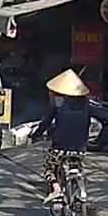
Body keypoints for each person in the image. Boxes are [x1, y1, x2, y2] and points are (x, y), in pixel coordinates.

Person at [29, 68, 92, 204]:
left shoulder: (58, 104)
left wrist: (35, 135)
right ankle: (80, 189)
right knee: (79, 167)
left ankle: (56, 189)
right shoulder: (87, 104)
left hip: (60, 147)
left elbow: (46, 123)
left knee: (49, 168)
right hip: (80, 149)